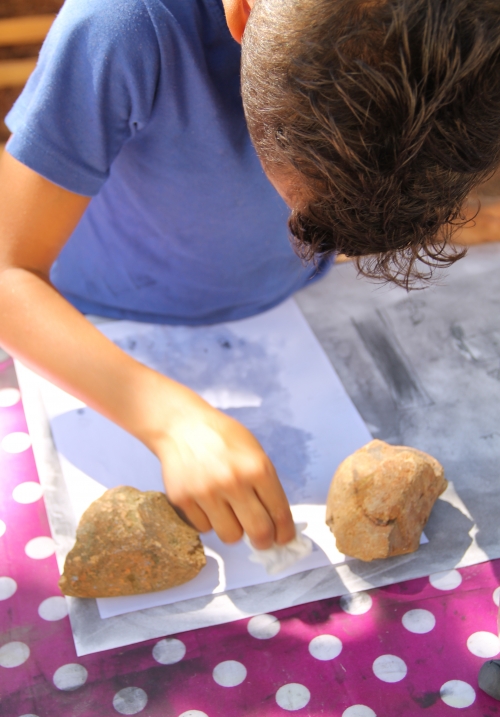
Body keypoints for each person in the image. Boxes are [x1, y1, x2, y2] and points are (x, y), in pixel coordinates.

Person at [0, 0, 499, 554]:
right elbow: (7, 271)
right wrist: (167, 419)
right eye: (309, 219)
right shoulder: (123, 26)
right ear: (242, 18)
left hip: (288, 316)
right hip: (89, 322)